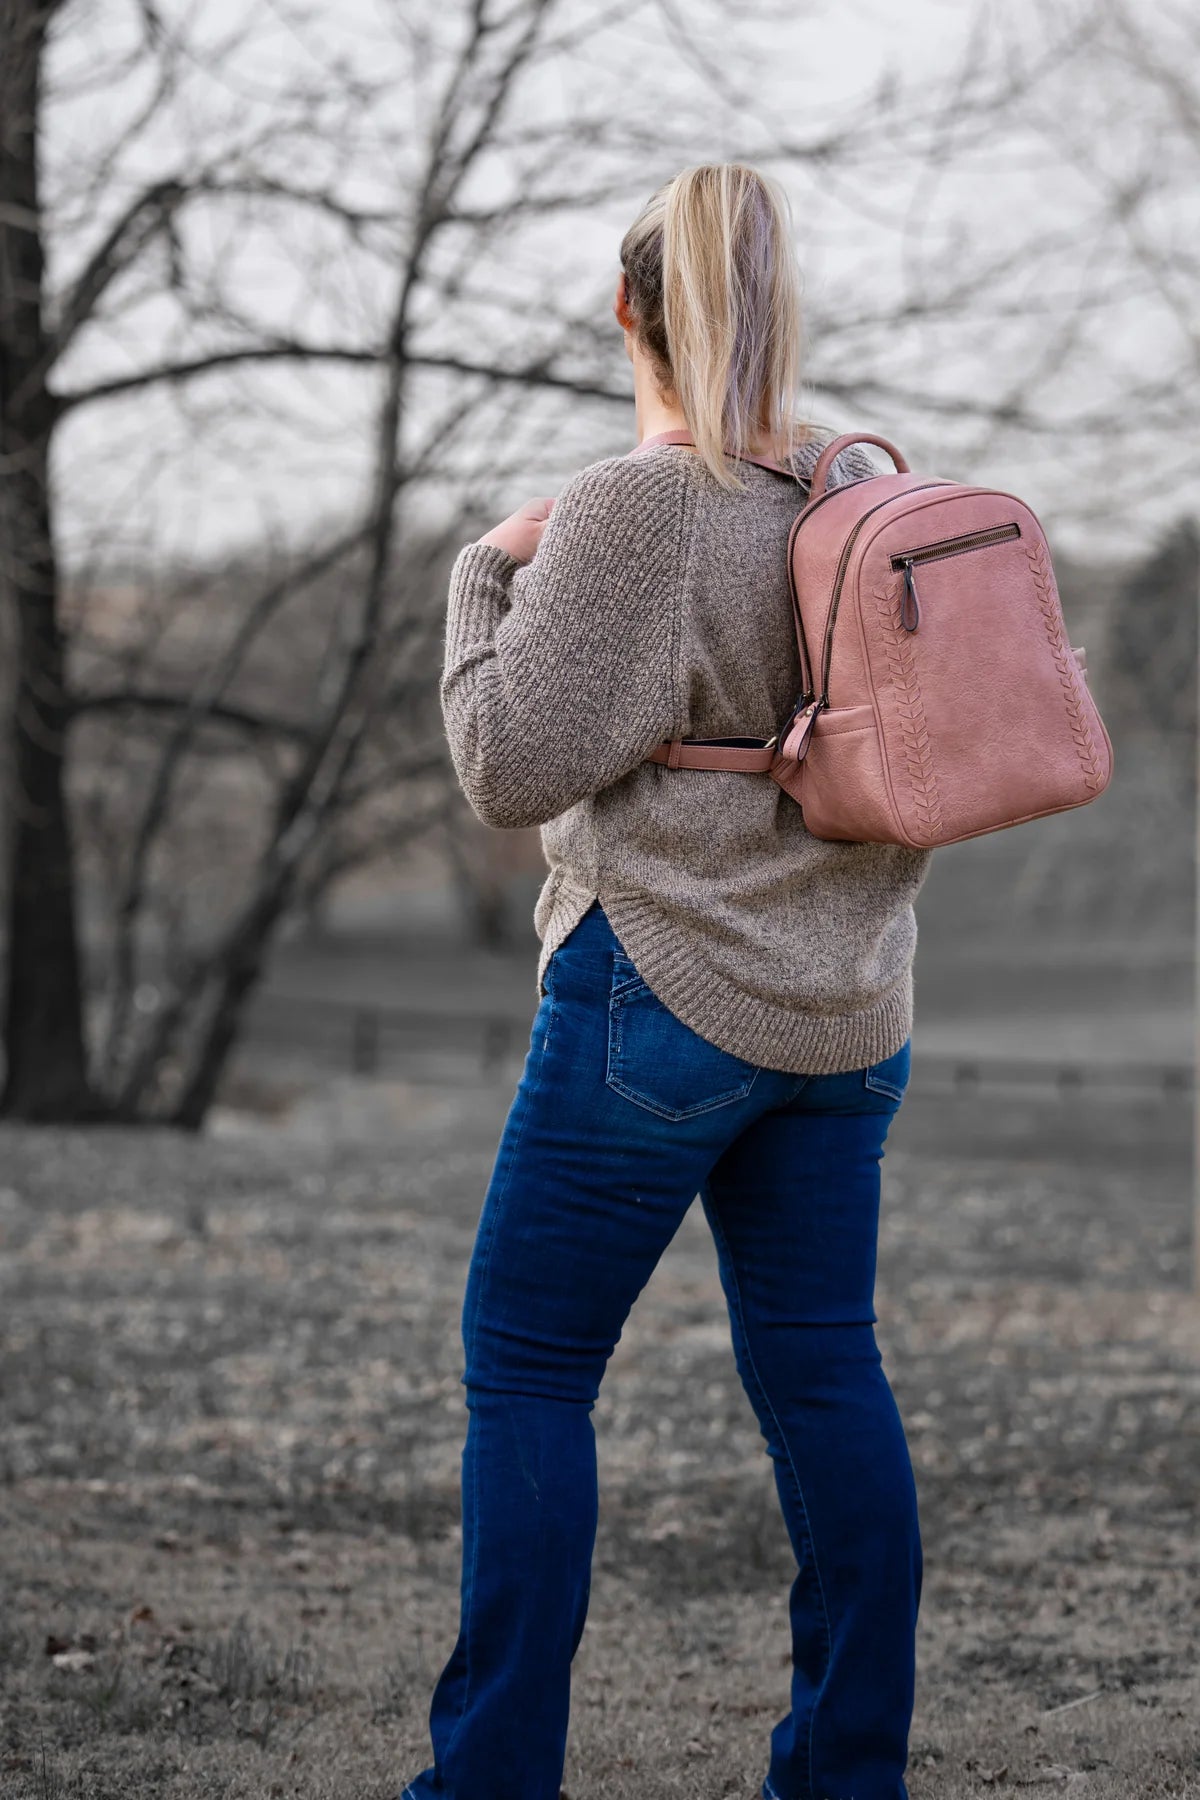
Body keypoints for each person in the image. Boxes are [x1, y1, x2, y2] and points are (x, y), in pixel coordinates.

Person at [399, 162, 934, 1800]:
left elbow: (505, 762)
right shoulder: (848, 490)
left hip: (665, 996)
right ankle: (845, 1776)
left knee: (532, 1371)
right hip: (850, 1010)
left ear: (629, 308)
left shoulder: (642, 503)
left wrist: (486, 569)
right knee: (827, 1371)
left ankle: (486, 1783)